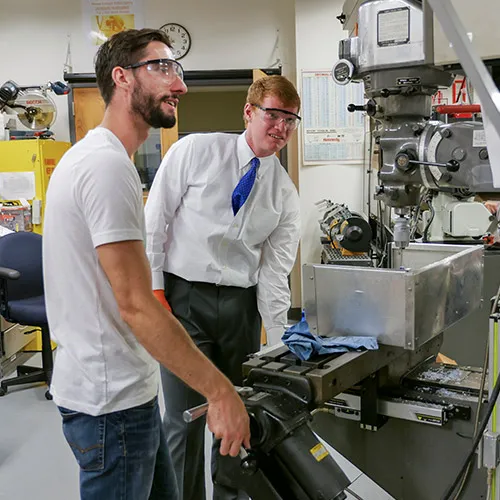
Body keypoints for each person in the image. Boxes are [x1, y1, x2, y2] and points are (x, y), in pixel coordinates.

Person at [42, 28, 250, 500]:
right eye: (162, 68)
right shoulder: (104, 167)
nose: (179, 85)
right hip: (109, 404)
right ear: (122, 78)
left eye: (177, 71)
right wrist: (219, 392)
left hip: (122, 392)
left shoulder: (99, 160)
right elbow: (136, 305)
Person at [144, 75, 301, 500]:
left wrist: (279, 342)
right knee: (184, 418)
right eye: (273, 115)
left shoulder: (285, 195)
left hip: (239, 308)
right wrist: (155, 291)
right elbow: (154, 222)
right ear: (249, 112)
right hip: (183, 300)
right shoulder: (195, 151)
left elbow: (273, 274)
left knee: (236, 415)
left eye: (291, 120)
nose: (281, 128)